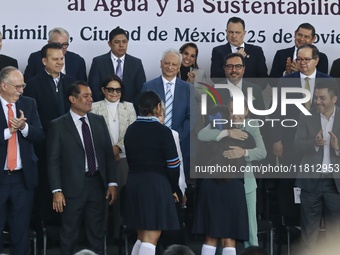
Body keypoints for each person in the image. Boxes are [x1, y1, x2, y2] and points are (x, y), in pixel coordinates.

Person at [47, 81, 117, 255]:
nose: (90, 99)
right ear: (72, 99)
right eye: (85, 96)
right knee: (69, 234)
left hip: (97, 185)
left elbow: (108, 154)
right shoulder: (58, 125)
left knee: (97, 234)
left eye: (91, 96)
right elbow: (53, 160)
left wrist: (112, 183)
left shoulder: (98, 121)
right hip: (71, 189)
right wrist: (57, 190)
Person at [24, 42, 76, 248]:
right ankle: (45, 233)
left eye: (62, 58)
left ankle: (68, 234)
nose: (59, 62)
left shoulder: (72, 82)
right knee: (46, 190)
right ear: (44, 61)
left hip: (70, 149)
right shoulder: (33, 84)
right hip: (44, 148)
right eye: (55, 59)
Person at [198, 98, 267, 248]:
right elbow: (201, 135)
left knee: (250, 229)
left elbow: (262, 152)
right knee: (226, 228)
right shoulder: (221, 123)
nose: (235, 115)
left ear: (246, 111)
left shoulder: (252, 125)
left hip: (247, 184)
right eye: (231, 111)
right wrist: (227, 132)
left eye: (239, 111)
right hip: (225, 183)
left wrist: (244, 152)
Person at [124, 90, 180, 255]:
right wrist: (173, 187)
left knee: (142, 236)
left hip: (134, 184)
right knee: (151, 237)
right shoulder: (163, 131)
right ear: (158, 107)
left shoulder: (130, 130)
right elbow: (173, 165)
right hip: (155, 185)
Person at [0, 66, 44, 254]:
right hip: (0, 178)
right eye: (17, 86)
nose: (21, 90)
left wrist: (24, 127)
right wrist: (8, 132)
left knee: (20, 231)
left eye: (23, 86)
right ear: (3, 85)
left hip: (22, 179)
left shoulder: (28, 103)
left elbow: (40, 135)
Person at [294, 80, 340, 252]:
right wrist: (313, 143)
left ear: (334, 99)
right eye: (316, 98)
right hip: (311, 183)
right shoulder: (306, 116)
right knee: (308, 236)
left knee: (336, 236)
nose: (318, 101)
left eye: (323, 98)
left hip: (335, 186)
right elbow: (296, 145)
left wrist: (337, 147)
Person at [270, 44, 333, 168]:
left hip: (322, 142)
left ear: (316, 60)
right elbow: (276, 112)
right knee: (288, 183)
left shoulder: (329, 81)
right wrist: (277, 140)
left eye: (306, 59)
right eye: (299, 59)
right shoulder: (285, 81)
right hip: (291, 140)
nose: (302, 62)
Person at [91, 74, 136, 239]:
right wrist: (109, 151)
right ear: (103, 90)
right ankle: (99, 237)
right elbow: (92, 133)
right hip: (100, 160)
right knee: (101, 198)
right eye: (110, 89)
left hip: (123, 158)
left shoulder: (129, 107)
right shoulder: (94, 107)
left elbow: (132, 132)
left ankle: (118, 237)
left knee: (120, 199)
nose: (114, 92)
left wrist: (117, 148)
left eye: (118, 89)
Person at [142, 49, 193, 178]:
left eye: (174, 64)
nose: (170, 67)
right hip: (154, 145)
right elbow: (144, 115)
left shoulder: (188, 89)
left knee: (180, 189)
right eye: (167, 63)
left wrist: (176, 137)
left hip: (181, 144)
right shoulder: (148, 86)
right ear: (161, 63)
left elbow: (192, 117)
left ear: (179, 67)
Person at [88, 26, 146, 107]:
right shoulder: (98, 62)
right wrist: (106, 105)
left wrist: (129, 107)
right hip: (104, 109)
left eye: (124, 42)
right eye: (117, 42)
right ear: (109, 44)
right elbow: (94, 88)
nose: (121, 45)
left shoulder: (136, 63)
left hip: (129, 110)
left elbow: (141, 90)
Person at [210, 17, 268, 89]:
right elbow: (215, 77)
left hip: (250, 95)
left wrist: (252, 91)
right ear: (226, 32)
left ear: (244, 33)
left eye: (237, 32)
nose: (234, 36)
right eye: (231, 32)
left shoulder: (256, 51)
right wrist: (237, 57)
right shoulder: (218, 51)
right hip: (226, 94)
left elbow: (264, 79)